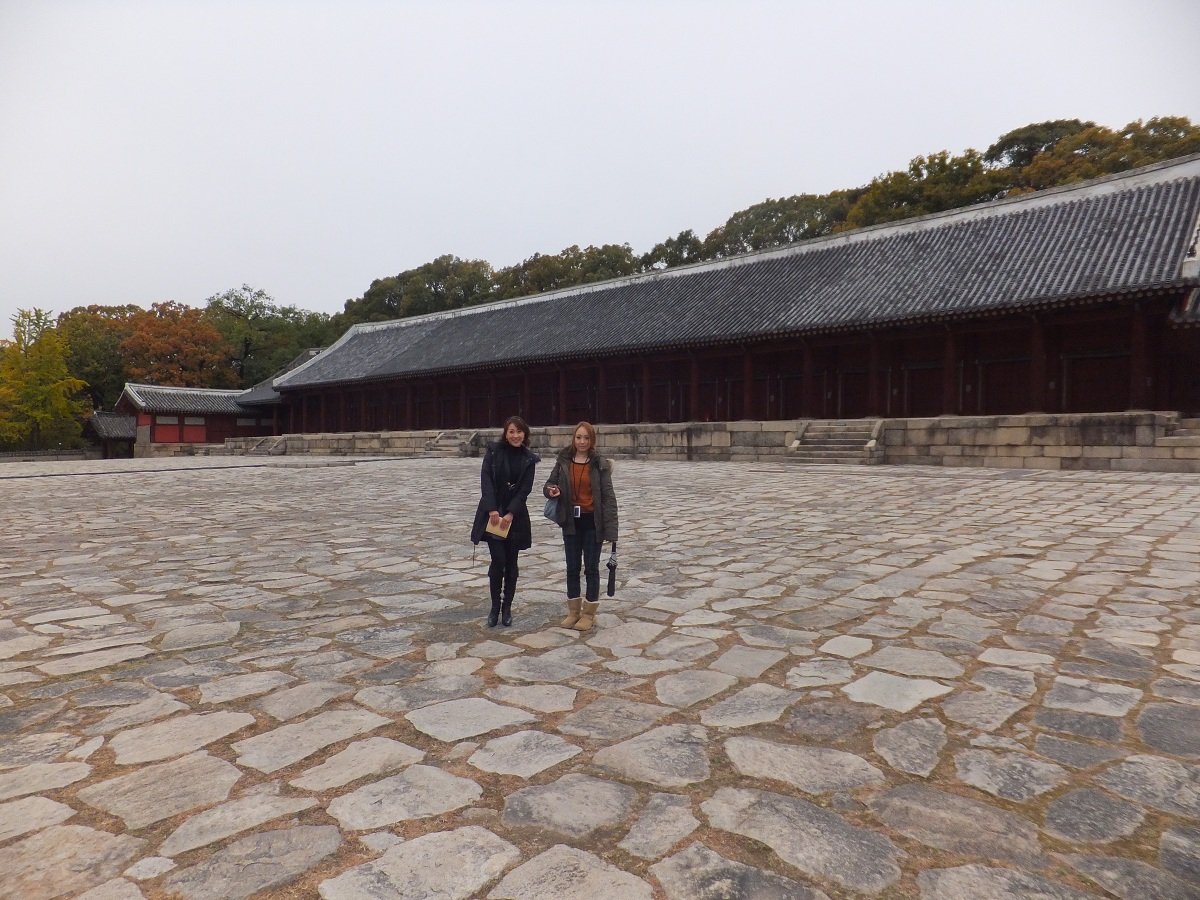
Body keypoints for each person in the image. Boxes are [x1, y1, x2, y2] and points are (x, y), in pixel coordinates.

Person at [543, 421, 618, 632]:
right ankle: (573, 611)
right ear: (573, 439)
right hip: (570, 522)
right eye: (578, 437)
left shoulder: (600, 464)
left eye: (586, 438)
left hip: (592, 522)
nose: (582, 441)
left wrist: (611, 530)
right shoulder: (563, 461)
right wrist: (551, 490)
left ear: (592, 440)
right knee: (572, 567)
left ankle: (589, 613)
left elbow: (608, 497)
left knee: (591, 568)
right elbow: (548, 484)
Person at [470, 415, 539, 627]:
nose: (515, 435)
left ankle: (507, 606)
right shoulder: (493, 452)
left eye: (519, 431)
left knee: (511, 562)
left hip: (514, 517)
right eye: (511, 431)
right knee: (498, 560)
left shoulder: (529, 459)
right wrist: (492, 509)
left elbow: (525, 489)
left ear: (525, 434)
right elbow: (486, 482)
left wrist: (510, 514)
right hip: (494, 514)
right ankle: (494, 607)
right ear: (505, 433)